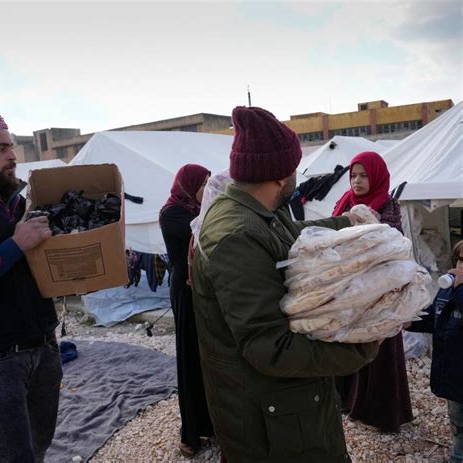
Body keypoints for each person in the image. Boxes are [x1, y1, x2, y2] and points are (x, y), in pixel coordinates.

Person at [191, 106, 380, 462]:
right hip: (272, 427)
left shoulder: (250, 210)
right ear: (279, 176)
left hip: (285, 409)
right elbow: (270, 348)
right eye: (295, 165)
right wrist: (361, 346)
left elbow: (291, 234)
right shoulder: (237, 236)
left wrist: (347, 222)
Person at [0, 111, 62, 462]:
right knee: (12, 455)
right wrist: (16, 244)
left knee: (39, 446)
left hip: (45, 344)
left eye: (12, 147)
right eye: (1, 148)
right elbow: (16, 249)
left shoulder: (19, 202)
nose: (13, 156)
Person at [332, 150, 413, 432]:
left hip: (379, 291)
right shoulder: (344, 203)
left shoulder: (387, 206)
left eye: (364, 175)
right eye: (353, 175)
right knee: (351, 344)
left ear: (376, 175)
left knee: (380, 350)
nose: (357, 181)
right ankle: (353, 404)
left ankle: (383, 414)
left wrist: (366, 228)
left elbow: (393, 243)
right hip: (351, 289)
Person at [159, 164, 214, 458]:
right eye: (203, 182)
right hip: (186, 289)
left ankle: (212, 424)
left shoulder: (198, 210)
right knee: (190, 358)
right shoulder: (173, 214)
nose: (208, 187)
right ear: (188, 184)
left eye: (209, 181)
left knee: (209, 356)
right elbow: (204, 232)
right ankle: (190, 433)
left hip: (203, 287)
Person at [408, 241, 463, 463]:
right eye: (461, 260)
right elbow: (434, 316)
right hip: (453, 373)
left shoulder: (457, 289)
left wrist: (460, 289)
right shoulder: (448, 288)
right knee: (457, 419)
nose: (462, 266)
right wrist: (409, 321)